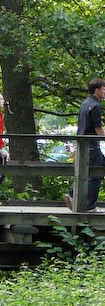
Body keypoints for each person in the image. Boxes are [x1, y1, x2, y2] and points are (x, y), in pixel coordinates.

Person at [66, 78, 105, 212]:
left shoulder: (84, 104)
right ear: (97, 90)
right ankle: (90, 206)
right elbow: (97, 127)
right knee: (95, 175)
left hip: (83, 145)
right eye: (104, 89)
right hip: (92, 145)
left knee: (86, 171)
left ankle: (72, 193)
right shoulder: (95, 106)